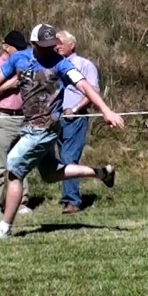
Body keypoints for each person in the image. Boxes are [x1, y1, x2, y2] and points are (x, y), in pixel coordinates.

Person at [0, 23, 125, 240]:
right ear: (33, 44)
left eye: (51, 44)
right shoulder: (19, 59)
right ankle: (101, 172)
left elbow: (84, 86)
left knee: (14, 169)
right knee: (51, 173)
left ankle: (3, 228)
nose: (49, 49)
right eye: (44, 45)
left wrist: (106, 110)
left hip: (44, 129)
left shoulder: (61, 65)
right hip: (31, 127)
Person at [0, 30, 32, 217]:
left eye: (22, 48)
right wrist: (9, 86)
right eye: (16, 48)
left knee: (21, 161)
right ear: (6, 47)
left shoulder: (25, 64)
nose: (20, 51)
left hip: (24, 118)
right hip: (3, 118)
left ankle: (21, 202)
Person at [54, 30, 100, 214]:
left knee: (68, 157)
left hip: (76, 118)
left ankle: (72, 201)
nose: (56, 46)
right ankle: (69, 197)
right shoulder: (54, 65)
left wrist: (74, 109)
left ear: (71, 45)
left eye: (60, 43)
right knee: (60, 158)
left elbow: (93, 92)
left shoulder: (84, 65)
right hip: (56, 118)